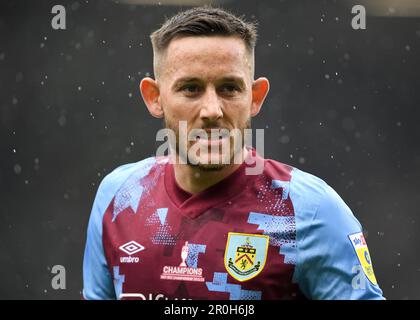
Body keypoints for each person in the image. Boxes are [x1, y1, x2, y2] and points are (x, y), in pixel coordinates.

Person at [83, 6, 384, 300]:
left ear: (255, 97)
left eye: (229, 88)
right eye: (190, 88)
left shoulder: (311, 211)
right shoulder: (118, 197)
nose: (212, 111)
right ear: (155, 98)